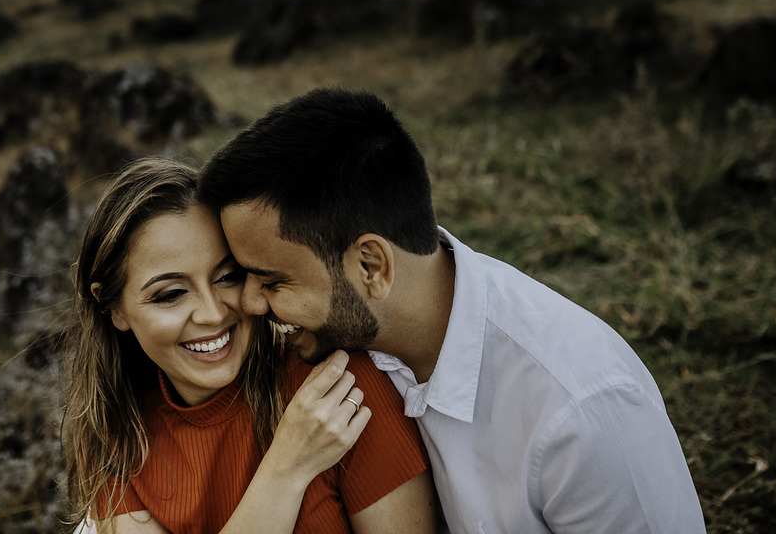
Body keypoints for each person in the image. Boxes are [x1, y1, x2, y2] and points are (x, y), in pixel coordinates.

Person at [198, 87, 707, 534]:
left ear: (371, 266)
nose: (247, 302)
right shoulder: (345, 342)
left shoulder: (581, 409)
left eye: (273, 281)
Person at [62, 156, 439, 534]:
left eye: (228, 276)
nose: (211, 314)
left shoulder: (338, 387)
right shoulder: (116, 431)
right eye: (171, 294)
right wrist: (286, 469)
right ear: (114, 308)